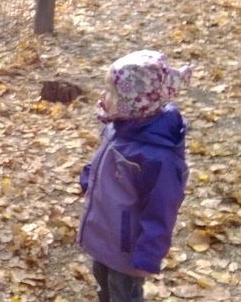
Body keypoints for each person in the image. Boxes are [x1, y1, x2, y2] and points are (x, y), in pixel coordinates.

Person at [78, 50, 192, 302]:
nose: (103, 96)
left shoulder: (157, 157)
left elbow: (162, 207)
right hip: (105, 232)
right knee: (103, 281)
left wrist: (149, 251)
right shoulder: (120, 126)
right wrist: (89, 176)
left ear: (135, 101)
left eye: (111, 91)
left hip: (127, 247)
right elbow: (103, 157)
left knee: (124, 292)